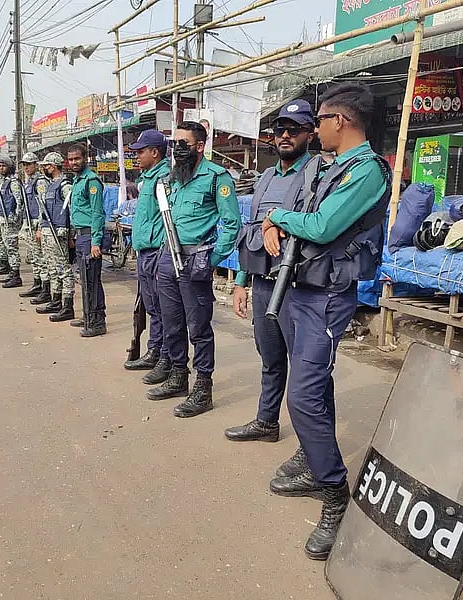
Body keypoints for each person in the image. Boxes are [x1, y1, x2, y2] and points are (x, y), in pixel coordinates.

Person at [261, 83, 391, 560]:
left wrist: (277, 215)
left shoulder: (366, 172)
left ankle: (334, 492)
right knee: (313, 386)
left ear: (341, 122)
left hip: (329, 296)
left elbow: (320, 227)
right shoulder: (332, 167)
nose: (313, 129)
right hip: (302, 287)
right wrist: (276, 221)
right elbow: (301, 213)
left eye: (319, 121)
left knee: (303, 394)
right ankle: (315, 460)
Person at [225, 99, 317, 446]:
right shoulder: (264, 177)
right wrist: (239, 283)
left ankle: (311, 447)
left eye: (294, 129)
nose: (285, 135)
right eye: (280, 129)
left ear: (310, 133)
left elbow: (316, 227)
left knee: (305, 370)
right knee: (270, 359)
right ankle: (267, 422)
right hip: (263, 282)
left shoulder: (318, 175)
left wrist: (275, 223)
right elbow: (249, 231)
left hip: (299, 287)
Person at [147, 121, 241, 418]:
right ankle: (178, 375)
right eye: (174, 143)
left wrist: (212, 259)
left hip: (195, 261)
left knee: (198, 327)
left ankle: (203, 387)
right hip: (167, 257)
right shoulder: (172, 178)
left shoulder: (217, 177)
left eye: (183, 144)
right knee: (170, 321)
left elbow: (232, 224)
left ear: (200, 146)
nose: (176, 149)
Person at [122, 130, 173, 384]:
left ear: (155, 152)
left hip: (156, 251)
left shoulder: (163, 178)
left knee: (163, 309)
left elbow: (168, 217)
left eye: (140, 151)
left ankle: (165, 356)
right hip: (145, 251)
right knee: (152, 307)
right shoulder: (149, 178)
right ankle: (154, 350)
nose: (136, 156)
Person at [68, 143, 107, 337]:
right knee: (85, 280)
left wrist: (96, 242)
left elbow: (97, 213)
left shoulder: (92, 181)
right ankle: (88, 316)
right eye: (71, 159)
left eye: (77, 158)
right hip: (80, 235)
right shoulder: (77, 181)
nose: (74, 162)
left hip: (90, 235)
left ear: (86, 158)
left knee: (92, 280)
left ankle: (97, 322)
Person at [35, 152, 75, 322]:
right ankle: (56, 300)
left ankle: (67, 306)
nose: (44, 168)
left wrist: (72, 233)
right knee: (52, 268)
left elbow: (72, 209)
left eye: (46, 166)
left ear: (53, 166)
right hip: (48, 231)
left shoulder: (64, 185)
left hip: (60, 232)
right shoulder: (51, 185)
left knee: (64, 270)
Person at [18, 153, 49, 299]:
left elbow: (44, 205)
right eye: (24, 165)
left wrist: (40, 227)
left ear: (36, 165)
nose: (26, 167)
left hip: (37, 222)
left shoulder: (40, 181)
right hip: (29, 221)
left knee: (41, 258)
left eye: (29, 164)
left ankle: (45, 288)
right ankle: (37, 284)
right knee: (34, 256)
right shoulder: (29, 181)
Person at [0, 156, 25, 289]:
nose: (1, 168)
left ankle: (16, 275)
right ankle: (12, 272)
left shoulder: (13, 182)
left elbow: (19, 202)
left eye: (3, 166)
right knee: (7, 246)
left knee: (12, 248)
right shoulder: (5, 181)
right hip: (4, 217)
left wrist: (16, 217)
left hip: (11, 220)